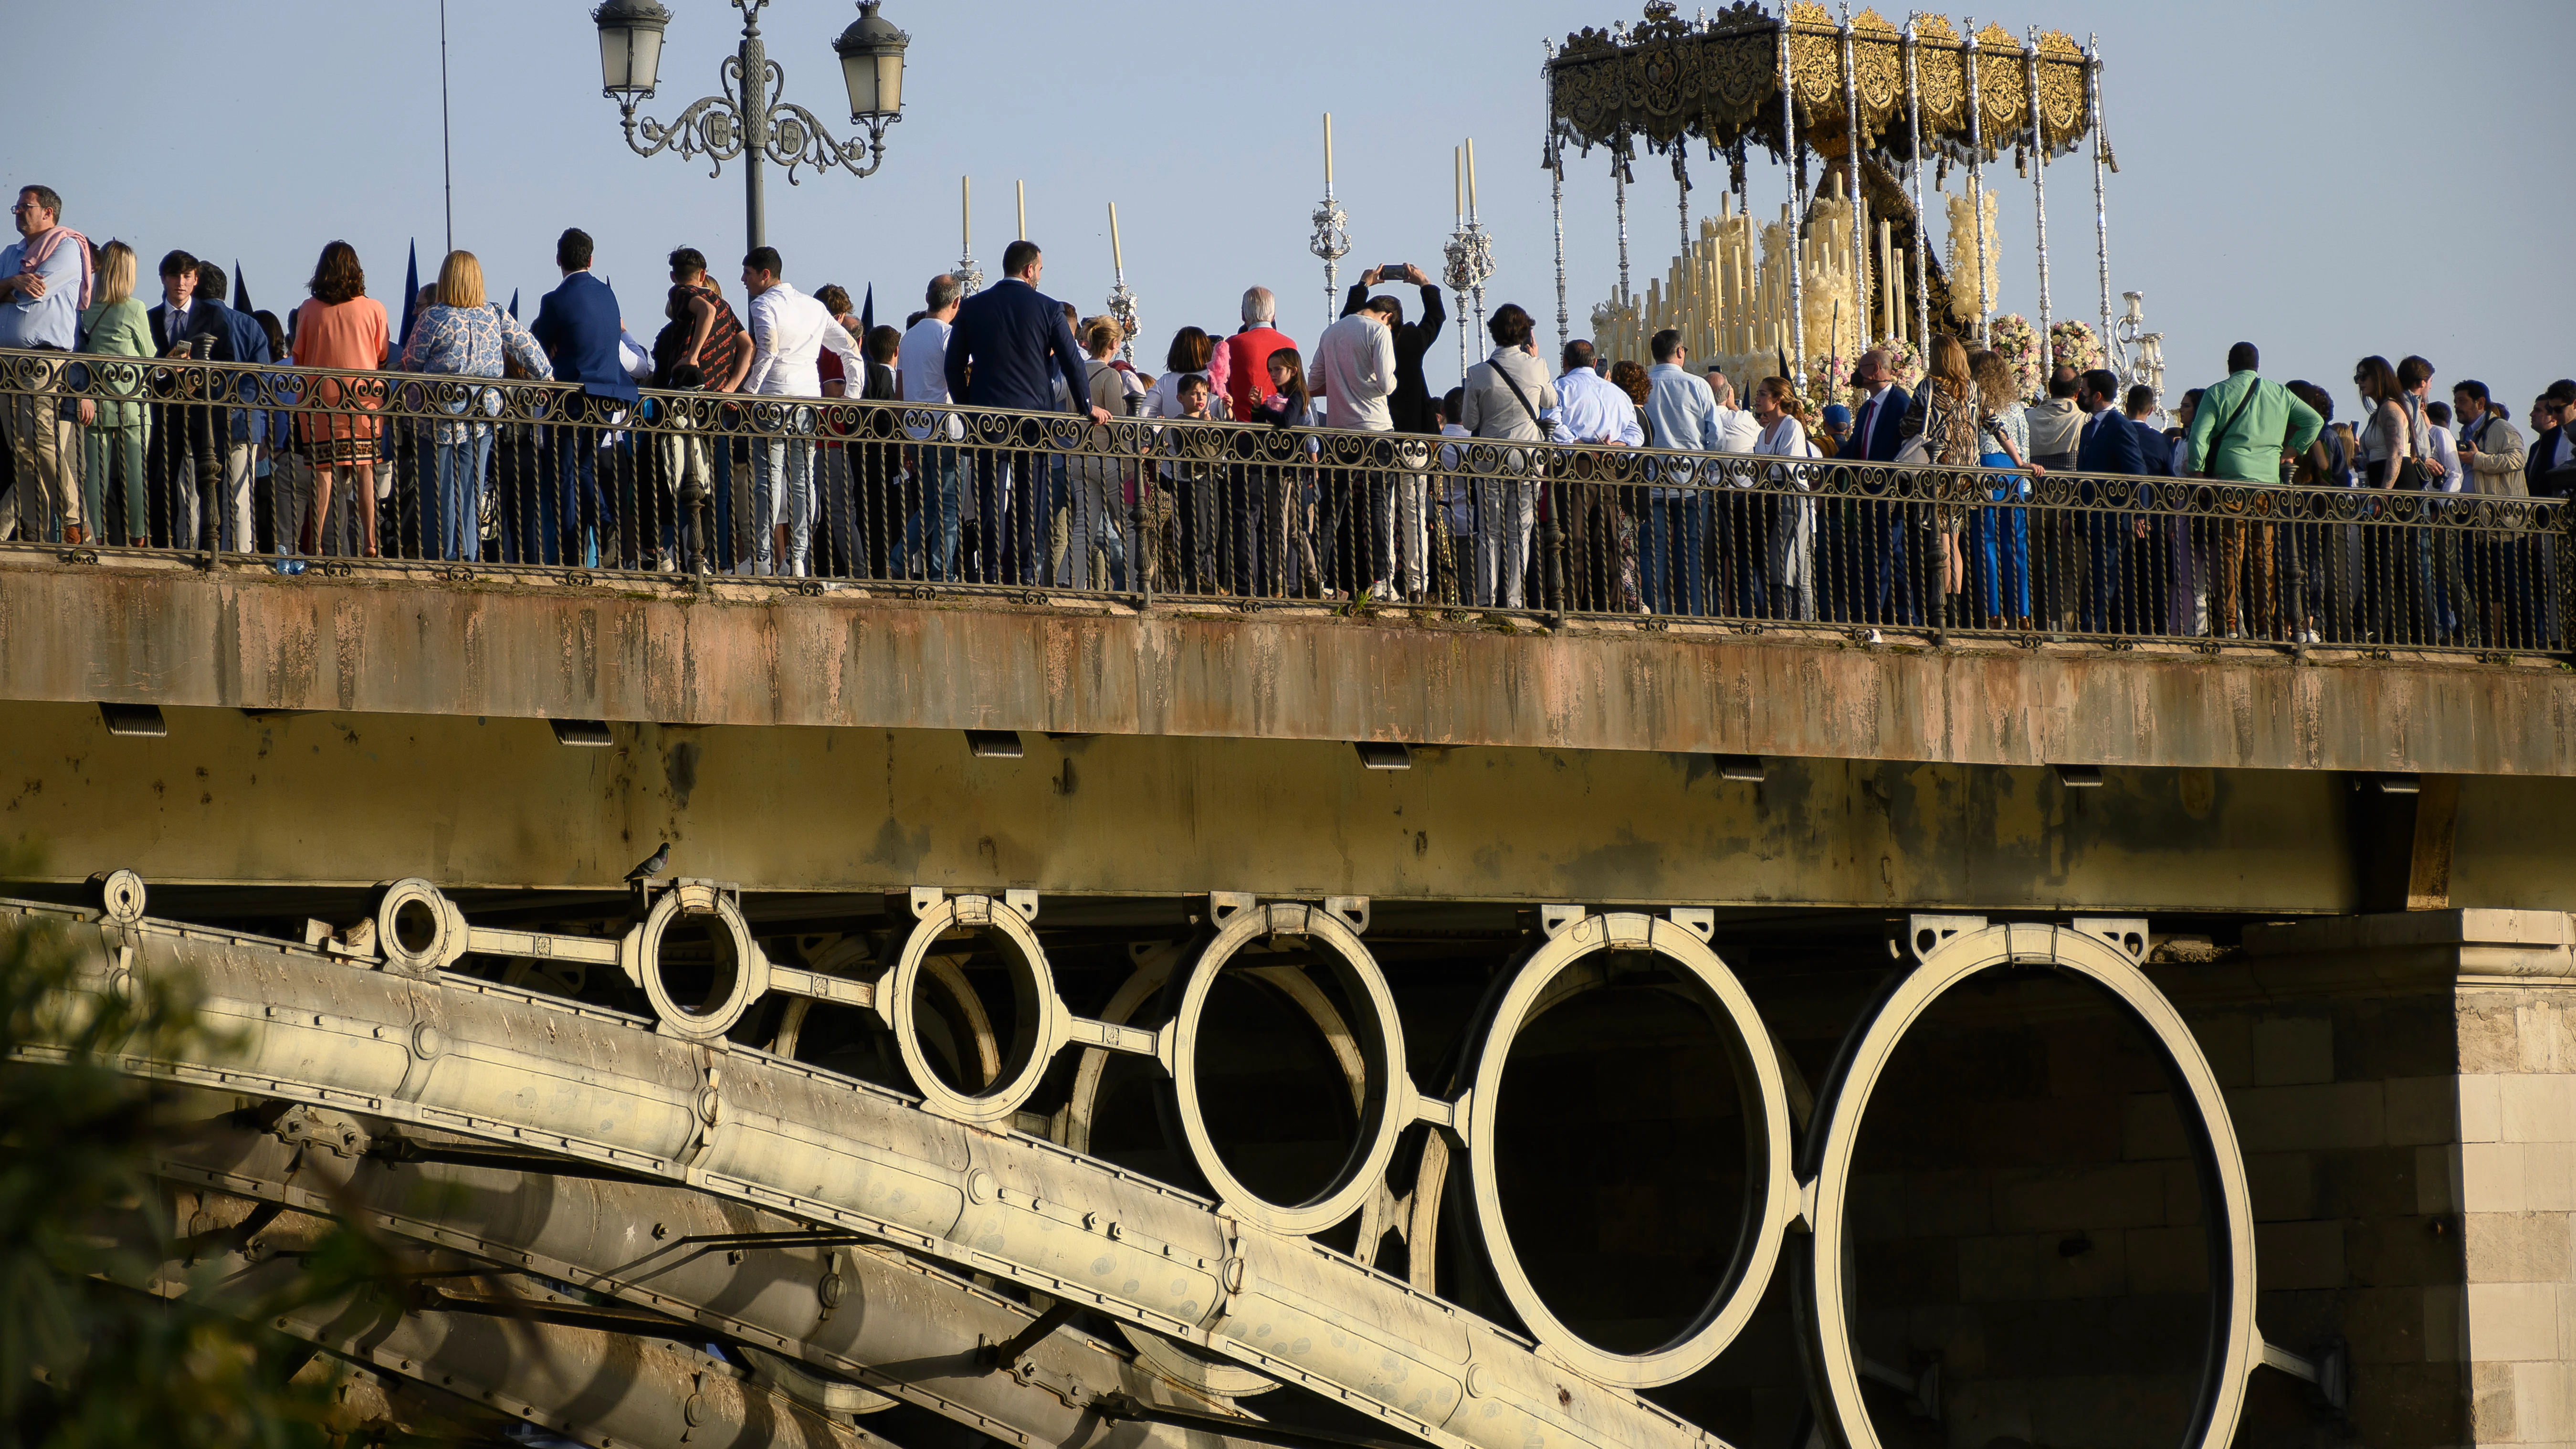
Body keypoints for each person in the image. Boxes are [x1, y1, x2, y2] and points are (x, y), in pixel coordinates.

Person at [944, 240, 1106, 586]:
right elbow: (1072, 362)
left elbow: (953, 364)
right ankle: (1024, 572)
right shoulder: (1048, 308)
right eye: (1040, 270)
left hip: (988, 414)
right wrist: (1086, 405)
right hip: (1036, 418)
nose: (1040, 276)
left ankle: (989, 571)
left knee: (988, 494)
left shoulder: (973, 307)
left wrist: (968, 406)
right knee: (1031, 495)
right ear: (1029, 269)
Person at [400, 249, 551, 562]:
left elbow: (410, 363)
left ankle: (442, 558)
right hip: (482, 417)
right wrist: (547, 379)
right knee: (471, 490)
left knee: (439, 492)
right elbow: (527, 346)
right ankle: (468, 557)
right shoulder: (493, 314)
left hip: (439, 417)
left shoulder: (434, 317)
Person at [738, 245, 863, 578]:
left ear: (765, 275)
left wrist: (749, 392)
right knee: (802, 481)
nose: (743, 280)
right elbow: (851, 348)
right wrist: (851, 399)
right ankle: (796, 559)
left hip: (774, 402)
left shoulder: (763, 303)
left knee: (768, 479)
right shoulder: (813, 307)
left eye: (747, 273)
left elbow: (769, 348)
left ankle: (764, 558)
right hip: (808, 404)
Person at [2184, 343, 2322, 640]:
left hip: (2231, 484)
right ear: (2258, 366)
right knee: (2264, 556)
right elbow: (2314, 421)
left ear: (2229, 365)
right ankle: (2265, 627)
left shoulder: (2217, 393)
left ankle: (2231, 625)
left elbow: (2199, 436)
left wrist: (2196, 472)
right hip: (2268, 487)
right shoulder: (2279, 393)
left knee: (2231, 554)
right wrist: (2290, 452)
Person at [529, 228, 636, 568]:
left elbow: (536, 346)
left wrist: (553, 343)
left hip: (571, 398)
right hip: (610, 396)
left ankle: (571, 551)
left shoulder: (555, 300)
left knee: (564, 473)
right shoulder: (609, 296)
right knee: (584, 466)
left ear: (558, 260)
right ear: (591, 260)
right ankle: (605, 523)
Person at [291, 240, 391, 558]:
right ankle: (371, 542)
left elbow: (299, 358)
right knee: (365, 468)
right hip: (364, 402)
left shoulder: (308, 310)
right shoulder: (375, 309)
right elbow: (382, 355)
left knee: (323, 471)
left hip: (321, 401)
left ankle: (315, 542)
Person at [0, 185, 87, 544]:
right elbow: (16, 286)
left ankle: (73, 517)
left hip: (42, 360)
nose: (19, 212)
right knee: (20, 448)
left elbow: (35, 289)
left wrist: (9, 288)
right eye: (16, 207)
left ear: (48, 212)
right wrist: (11, 281)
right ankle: (18, 530)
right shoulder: (11, 252)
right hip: (7, 361)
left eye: (26, 206)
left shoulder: (67, 248)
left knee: (40, 438)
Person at [1459, 303, 1558, 610]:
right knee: (1520, 531)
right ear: (1525, 333)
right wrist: (1534, 358)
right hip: (1528, 458)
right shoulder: (1537, 364)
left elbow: (1469, 422)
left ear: (1494, 333)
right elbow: (1550, 400)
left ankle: (1487, 598)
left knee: (1489, 532)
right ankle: (1514, 600)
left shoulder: (1477, 373)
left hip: (1491, 458)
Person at [1308, 294, 1399, 597]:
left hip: (1338, 433)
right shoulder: (1379, 332)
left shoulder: (1331, 332)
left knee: (1331, 507)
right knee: (1377, 504)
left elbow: (1313, 383)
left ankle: (1316, 576)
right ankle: (1380, 582)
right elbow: (1387, 384)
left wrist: (1342, 384)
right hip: (1375, 431)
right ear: (1388, 316)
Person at [1550, 339, 1641, 611]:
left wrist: (1580, 444)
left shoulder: (1561, 388)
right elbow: (1636, 435)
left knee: (1571, 533)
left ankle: (1571, 603)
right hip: (1609, 466)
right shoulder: (1615, 393)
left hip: (1575, 467)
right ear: (1594, 363)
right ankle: (1610, 604)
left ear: (1565, 363)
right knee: (1607, 537)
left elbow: (1553, 426)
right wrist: (1616, 447)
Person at [74, 239, 152, 546]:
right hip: (131, 401)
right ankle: (138, 535)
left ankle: (95, 532)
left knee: (94, 474)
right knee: (136, 473)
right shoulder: (134, 309)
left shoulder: (85, 307)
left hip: (95, 398)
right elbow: (148, 356)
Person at [1640, 328, 1722, 616]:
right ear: (1679, 352)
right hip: (1691, 477)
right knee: (1693, 549)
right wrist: (1708, 465)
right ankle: (1695, 611)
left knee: (1654, 548)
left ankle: (1656, 609)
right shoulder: (1698, 385)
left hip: (1653, 477)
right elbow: (1716, 433)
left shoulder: (1644, 384)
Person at [1900, 335, 1980, 622]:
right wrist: (2020, 461)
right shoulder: (1972, 388)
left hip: (1941, 472)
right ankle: (1956, 607)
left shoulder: (1928, 387)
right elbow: (1994, 424)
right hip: (1968, 474)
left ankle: (1942, 610)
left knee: (1942, 541)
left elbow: (1909, 426)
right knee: (1955, 542)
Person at [897, 273, 966, 581]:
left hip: (916, 429)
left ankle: (899, 559)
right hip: (944, 430)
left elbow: (899, 392)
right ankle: (942, 570)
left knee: (930, 505)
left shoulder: (908, 337)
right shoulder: (948, 335)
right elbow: (962, 379)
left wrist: (904, 435)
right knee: (948, 505)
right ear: (956, 302)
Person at [1840, 347, 1916, 626]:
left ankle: (1871, 622)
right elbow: (1853, 447)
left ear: (1874, 369)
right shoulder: (1866, 408)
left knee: (1883, 555)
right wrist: (1823, 468)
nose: (1856, 375)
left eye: (1861, 368)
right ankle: (1909, 617)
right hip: (1867, 492)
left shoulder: (1900, 403)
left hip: (1889, 492)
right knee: (1892, 558)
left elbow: (1909, 447)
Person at [2072, 368, 2144, 634]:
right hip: (2091, 513)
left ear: (2098, 395)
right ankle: (2088, 625)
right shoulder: (2091, 425)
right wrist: (2073, 513)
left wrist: (2140, 513)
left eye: (2085, 391)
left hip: (2112, 514)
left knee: (2105, 575)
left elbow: (2137, 471)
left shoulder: (2119, 425)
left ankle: (2095, 628)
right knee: (2095, 573)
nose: (2081, 395)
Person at [1968, 349, 2034, 630]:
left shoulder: (1974, 403)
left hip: (1985, 471)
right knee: (2016, 543)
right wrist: (2027, 485)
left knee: (1987, 543)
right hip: (2013, 474)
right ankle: (2022, 611)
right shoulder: (2017, 407)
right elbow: (2023, 444)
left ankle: (1994, 612)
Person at [1749, 375, 1819, 620]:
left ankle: (1803, 621)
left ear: (1778, 399)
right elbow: (1759, 467)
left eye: (1762, 394)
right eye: (1757, 394)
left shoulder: (1791, 426)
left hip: (1790, 501)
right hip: (1769, 502)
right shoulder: (1764, 432)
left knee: (1792, 565)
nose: (1757, 399)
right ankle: (1781, 616)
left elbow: (1788, 466)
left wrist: (1766, 464)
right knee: (1775, 564)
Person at [1221, 287, 1296, 424]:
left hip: (1243, 431)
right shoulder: (1290, 345)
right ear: (1274, 315)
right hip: (1283, 434)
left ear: (1243, 315)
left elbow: (1220, 391)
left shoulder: (1231, 345)